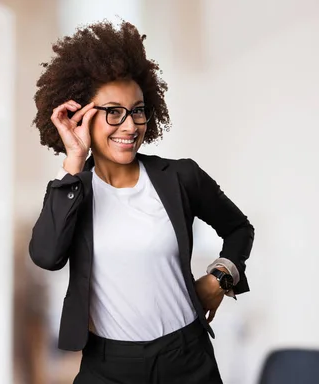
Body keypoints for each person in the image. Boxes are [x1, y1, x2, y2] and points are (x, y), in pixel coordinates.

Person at [29, 20, 254, 384]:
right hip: (108, 363)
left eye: (137, 110)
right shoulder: (73, 190)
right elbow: (46, 255)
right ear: (83, 116)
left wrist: (220, 278)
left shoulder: (180, 177)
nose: (130, 125)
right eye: (113, 111)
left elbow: (239, 228)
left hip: (186, 357)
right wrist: (73, 161)